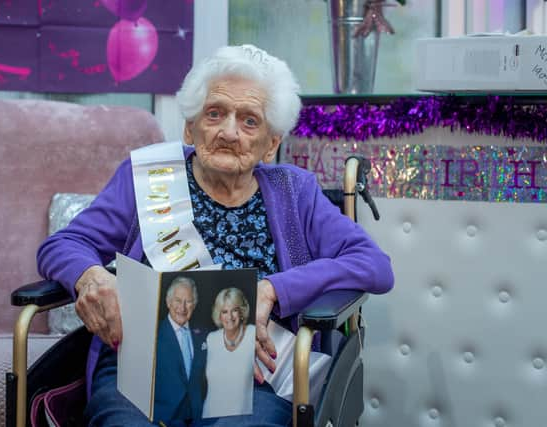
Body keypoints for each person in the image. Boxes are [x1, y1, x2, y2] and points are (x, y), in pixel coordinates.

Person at [37, 43, 394, 427]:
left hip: (251, 377)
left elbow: (374, 266)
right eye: (215, 113)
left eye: (249, 121)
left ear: (271, 143)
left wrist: (272, 290)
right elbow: (62, 245)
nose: (228, 131)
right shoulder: (146, 179)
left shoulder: (296, 192)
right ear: (190, 126)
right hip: (145, 367)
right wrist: (91, 276)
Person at [155, 276, 207, 422]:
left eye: (188, 301)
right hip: (163, 420)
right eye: (178, 300)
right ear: (168, 301)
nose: (183, 308)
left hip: (201, 420)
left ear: (194, 304)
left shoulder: (204, 335)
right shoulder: (153, 334)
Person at [202, 288, 255, 419]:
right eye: (224, 312)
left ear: (242, 312)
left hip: (241, 418)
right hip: (209, 417)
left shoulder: (252, 334)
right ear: (219, 315)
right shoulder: (211, 339)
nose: (230, 317)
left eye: (234, 310)